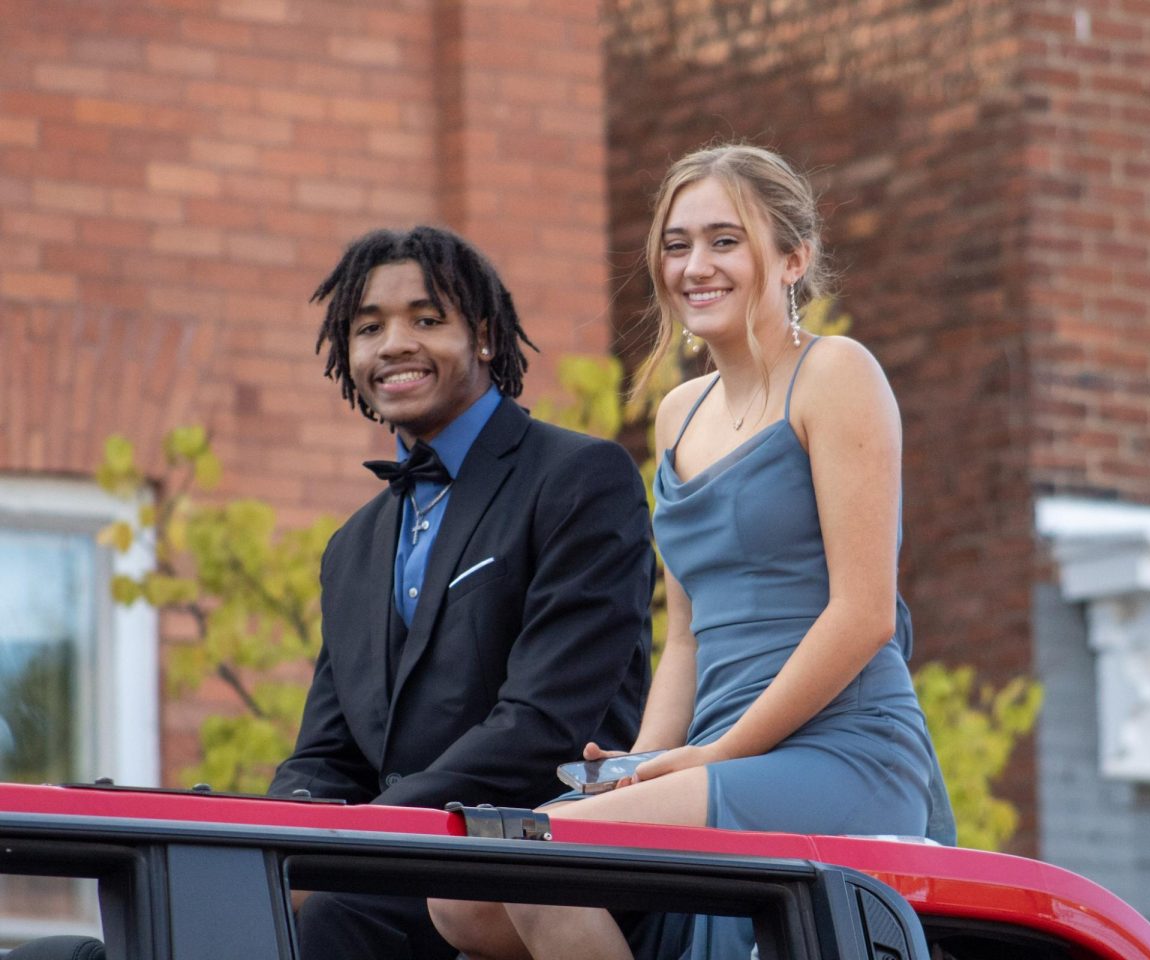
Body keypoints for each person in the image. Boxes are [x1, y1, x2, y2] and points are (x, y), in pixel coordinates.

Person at [428, 144, 955, 959]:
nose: (694, 266)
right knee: (461, 902)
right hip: (712, 752)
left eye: (724, 240)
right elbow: (687, 633)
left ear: (793, 259)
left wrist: (709, 756)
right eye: (676, 245)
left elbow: (863, 616)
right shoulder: (677, 413)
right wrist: (640, 763)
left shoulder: (837, 375)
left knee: (530, 860)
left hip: (840, 751)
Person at [268, 226, 655, 960]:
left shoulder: (580, 477)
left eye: (425, 319)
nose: (394, 345)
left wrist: (368, 832)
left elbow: (543, 724)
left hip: (534, 863)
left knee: (327, 923)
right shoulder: (350, 548)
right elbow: (328, 756)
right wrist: (277, 833)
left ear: (482, 337)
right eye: (368, 328)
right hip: (393, 863)